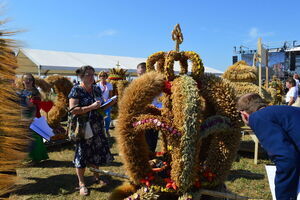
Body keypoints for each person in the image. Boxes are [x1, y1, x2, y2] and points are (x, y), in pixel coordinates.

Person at [237, 93, 300, 200]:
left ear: (243, 114)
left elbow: (286, 159)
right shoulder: (284, 110)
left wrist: (284, 196)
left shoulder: (258, 117)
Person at [68, 65, 115, 196]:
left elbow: (100, 108)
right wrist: (90, 107)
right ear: (81, 76)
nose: (92, 77)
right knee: (82, 154)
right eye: (88, 74)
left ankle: (96, 177)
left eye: (93, 74)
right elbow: (73, 110)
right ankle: (81, 183)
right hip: (83, 128)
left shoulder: (96, 89)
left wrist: (109, 104)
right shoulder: (76, 90)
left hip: (97, 126)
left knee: (96, 152)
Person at [17, 73, 49, 163]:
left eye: (30, 79)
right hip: (23, 117)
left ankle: (36, 158)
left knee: (35, 138)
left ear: (32, 81)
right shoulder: (20, 92)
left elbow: (35, 106)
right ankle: (28, 157)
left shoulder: (36, 92)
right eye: (26, 79)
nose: (28, 81)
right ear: (22, 81)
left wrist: (31, 118)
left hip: (34, 118)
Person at [137, 62, 160, 153]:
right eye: (140, 74)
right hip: (139, 114)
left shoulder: (154, 84)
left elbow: (159, 100)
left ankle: (150, 154)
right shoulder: (134, 84)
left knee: (152, 137)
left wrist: (154, 109)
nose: (142, 76)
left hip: (152, 114)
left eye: (144, 74)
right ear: (137, 72)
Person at [97, 71, 113, 137]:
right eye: (101, 76)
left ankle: (106, 130)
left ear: (106, 77)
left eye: (104, 76)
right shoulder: (97, 85)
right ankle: (100, 131)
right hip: (99, 104)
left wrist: (108, 100)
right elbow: (96, 94)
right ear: (99, 77)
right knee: (99, 118)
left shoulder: (109, 85)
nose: (103, 77)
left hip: (107, 104)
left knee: (107, 118)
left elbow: (110, 95)